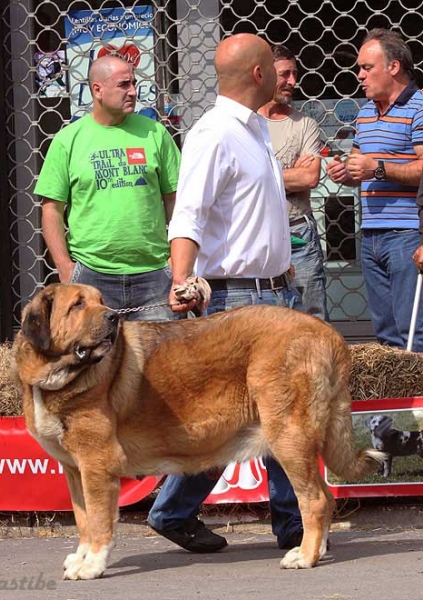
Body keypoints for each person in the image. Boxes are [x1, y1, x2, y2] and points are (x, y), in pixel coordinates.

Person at [147, 33, 305, 553]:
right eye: (274, 67)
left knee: (277, 415)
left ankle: (292, 522)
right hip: (239, 299)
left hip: (276, 293)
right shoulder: (214, 133)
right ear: (258, 74)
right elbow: (187, 214)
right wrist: (182, 281)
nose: (285, 77)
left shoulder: (255, 129)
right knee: (243, 420)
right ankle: (177, 510)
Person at [34, 54, 180, 320]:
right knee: (97, 359)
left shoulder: (155, 134)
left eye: (134, 83)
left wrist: (176, 264)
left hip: (154, 275)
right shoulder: (69, 140)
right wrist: (66, 269)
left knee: (160, 360)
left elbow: (176, 201)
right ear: (97, 90)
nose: (133, 91)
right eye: (124, 85)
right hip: (92, 277)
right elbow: (51, 210)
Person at [327, 28, 423, 351]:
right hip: (370, 236)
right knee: (385, 336)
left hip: (406, 234)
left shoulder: (419, 107)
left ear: (393, 67)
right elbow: (360, 163)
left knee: (414, 332)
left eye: (367, 68)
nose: (360, 76)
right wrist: (345, 172)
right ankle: (397, 401)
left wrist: (377, 168)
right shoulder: (365, 113)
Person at [258, 44, 328, 321]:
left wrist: (259, 175)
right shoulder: (246, 123)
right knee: (267, 320)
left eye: (294, 74)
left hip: (298, 231)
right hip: (257, 234)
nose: (292, 81)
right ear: (263, 74)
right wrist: (287, 175)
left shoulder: (304, 124)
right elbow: (235, 181)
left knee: (312, 318)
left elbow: (309, 177)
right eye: (285, 74)